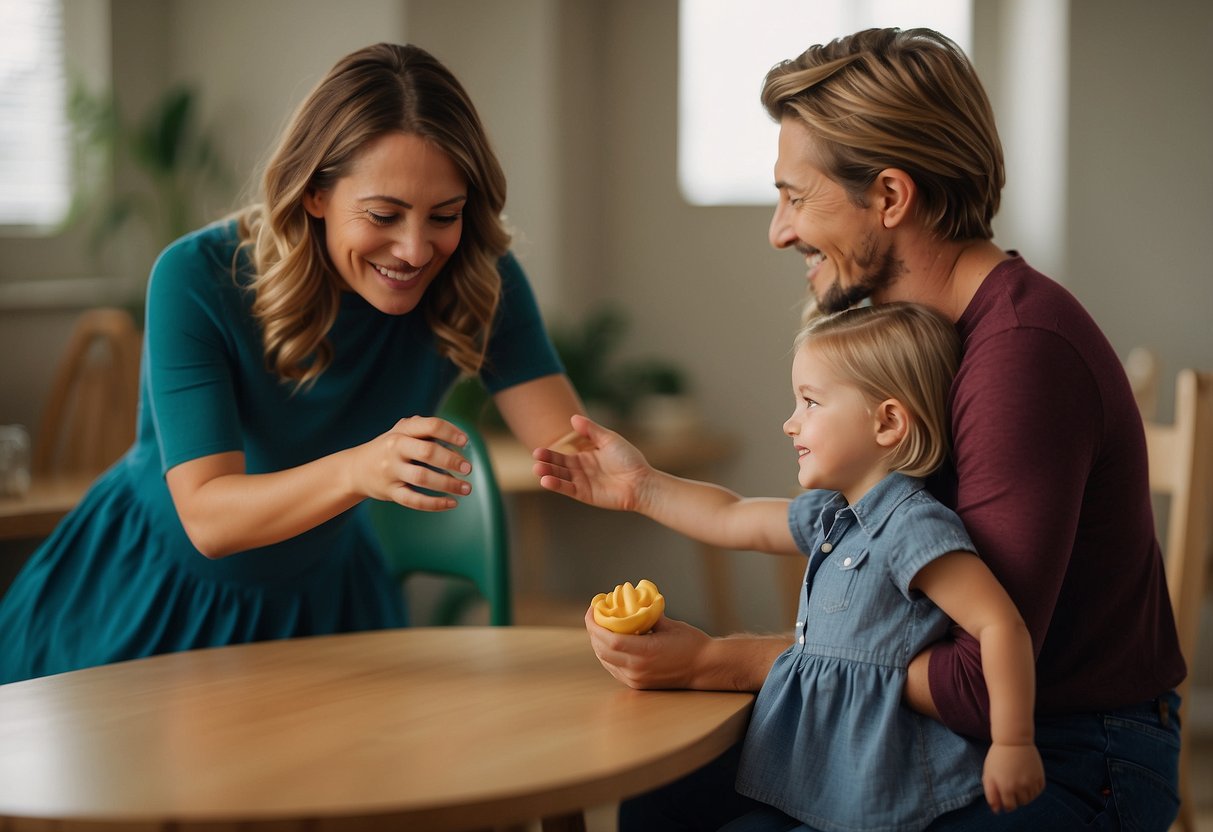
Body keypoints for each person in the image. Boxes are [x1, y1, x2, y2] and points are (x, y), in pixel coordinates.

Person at [565, 27, 1184, 831]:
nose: (778, 230)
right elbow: (770, 524)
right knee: (660, 807)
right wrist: (643, 487)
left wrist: (725, 660)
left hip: (1068, 752)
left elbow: (978, 680)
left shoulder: (1019, 357)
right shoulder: (916, 341)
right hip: (927, 725)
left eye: (794, 196)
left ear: (890, 197)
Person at [0, 43, 582, 684]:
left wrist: (671, 495)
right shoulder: (197, 277)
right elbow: (209, 519)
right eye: (384, 215)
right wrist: (362, 468)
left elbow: (570, 449)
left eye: (444, 215)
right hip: (148, 595)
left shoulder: (477, 276)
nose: (416, 250)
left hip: (328, 600)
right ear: (314, 194)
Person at [535, 302, 1046, 830]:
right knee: (654, 806)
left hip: (868, 791)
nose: (789, 423)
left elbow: (998, 624)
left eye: (810, 402)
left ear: (888, 421)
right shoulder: (837, 515)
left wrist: (1013, 741)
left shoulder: (910, 527)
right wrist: (641, 486)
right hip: (813, 767)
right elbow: (733, 516)